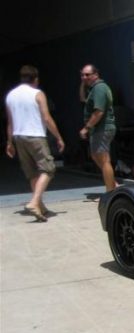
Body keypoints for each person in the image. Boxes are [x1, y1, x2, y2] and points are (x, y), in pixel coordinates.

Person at [5, 65, 65, 222]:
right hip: (35, 136)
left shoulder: (11, 95)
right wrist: (58, 136)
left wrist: (9, 142)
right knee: (49, 168)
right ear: (35, 79)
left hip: (19, 137)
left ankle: (40, 207)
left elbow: (10, 122)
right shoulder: (37, 94)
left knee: (32, 172)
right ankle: (34, 202)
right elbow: (46, 118)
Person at [79, 64, 117, 191]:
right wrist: (83, 83)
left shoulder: (99, 88)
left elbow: (99, 112)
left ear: (96, 75)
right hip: (99, 129)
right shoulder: (94, 89)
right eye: (82, 75)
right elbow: (83, 98)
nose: (84, 77)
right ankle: (112, 184)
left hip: (102, 128)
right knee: (96, 156)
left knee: (104, 159)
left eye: (87, 75)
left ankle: (110, 191)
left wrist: (86, 127)